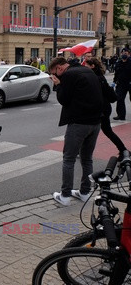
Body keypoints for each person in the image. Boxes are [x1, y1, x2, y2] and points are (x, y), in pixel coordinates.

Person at [49, 57, 103, 206]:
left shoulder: (68, 75)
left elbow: (64, 100)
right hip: (96, 122)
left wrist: (58, 85)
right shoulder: (86, 70)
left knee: (69, 159)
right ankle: (85, 192)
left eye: (55, 73)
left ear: (59, 68)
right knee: (87, 159)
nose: (56, 76)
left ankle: (65, 196)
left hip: (79, 123)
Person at [84, 57, 128, 158]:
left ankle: (123, 149)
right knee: (105, 131)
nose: (85, 67)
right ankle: (123, 149)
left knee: (90, 129)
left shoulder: (95, 78)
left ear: (92, 66)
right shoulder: (99, 76)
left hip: (101, 109)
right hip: (104, 108)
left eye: (86, 65)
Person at [113, 48, 131, 121]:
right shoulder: (118, 63)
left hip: (130, 84)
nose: (124, 54)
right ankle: (121, 115)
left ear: (129, 54)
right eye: (123, 53)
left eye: (126, 53)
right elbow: (116, 73)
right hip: (121, 84)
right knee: (120, 99)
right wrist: (114, 81)